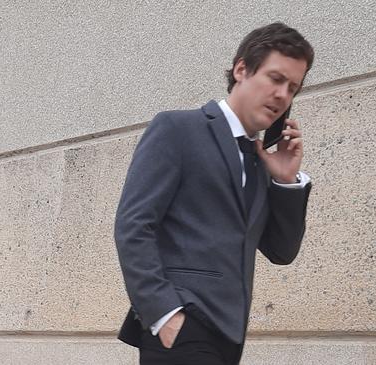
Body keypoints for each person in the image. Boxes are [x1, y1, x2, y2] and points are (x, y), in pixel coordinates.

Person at [114, 22, 314, 364]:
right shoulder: (178, 128)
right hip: (182, 327)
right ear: (241, 69)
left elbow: (282, 251)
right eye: (276, 79)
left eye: (293, 88)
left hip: (230, 337)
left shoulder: (262, 160)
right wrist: (165, 314)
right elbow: (133, 226)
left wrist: (285, 180)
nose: (283, 95)